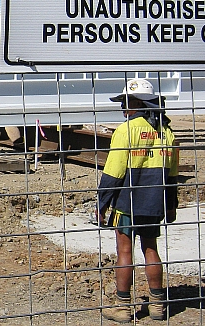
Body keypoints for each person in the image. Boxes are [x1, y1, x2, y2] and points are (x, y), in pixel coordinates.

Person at [97, 78, 178, 323]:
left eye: (127, 102)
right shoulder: (166, 130)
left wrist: (102, 205)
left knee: (124, 251)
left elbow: (113, 172)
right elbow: (172, 174)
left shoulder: (126, 130)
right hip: (154, 202)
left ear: (137, 103)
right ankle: (157, 306)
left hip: (128, 203)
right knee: (150, 248)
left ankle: (122, 308)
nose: (123, 108)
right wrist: (171, 205)